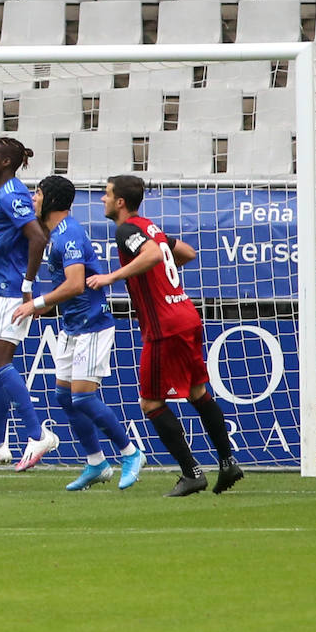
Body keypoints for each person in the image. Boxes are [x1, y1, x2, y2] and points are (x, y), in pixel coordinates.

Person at [86, 174, 244, 496]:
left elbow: (155, 256)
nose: (102, 199)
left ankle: (191, 473)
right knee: (198, 393)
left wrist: (111, 277)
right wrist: (163, 279)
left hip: (164, 326)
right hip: (186, 314)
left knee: (150, 402)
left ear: (120, 202)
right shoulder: (150, 227)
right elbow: (185, 252)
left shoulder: (126, 229)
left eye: (106, 195)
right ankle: (227, 463)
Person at [12, 176, 146, 490]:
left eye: (38, 194)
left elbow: (75, 284)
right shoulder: (56, 234)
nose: (33, 199)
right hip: (72, 325)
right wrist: (46, 304)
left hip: (93, 326)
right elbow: (69, 284)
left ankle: (130, 453)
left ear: (51, 200)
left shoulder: (69, 233)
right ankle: (96, 463)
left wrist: (38, 304)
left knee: (83, 398)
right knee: (64, 396)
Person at [0, 137, 58, 473]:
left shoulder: (13, 194)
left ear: (5, 162)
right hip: (2, 286)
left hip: (12, 289)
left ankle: (37, 434)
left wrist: (28, 286)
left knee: (0, 360)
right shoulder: (6, 193)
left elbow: (38, 237)